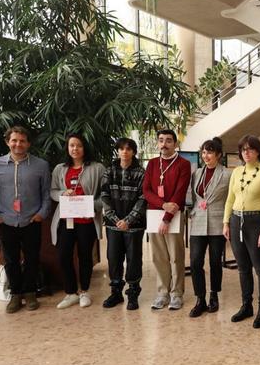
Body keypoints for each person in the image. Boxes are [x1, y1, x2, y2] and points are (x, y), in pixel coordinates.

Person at [0, 126, 51, 313]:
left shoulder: (41, 165)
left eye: (22, 141)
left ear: (28, 143)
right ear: (8, 142)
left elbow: (45, 193)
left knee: (32, 258)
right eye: (14, 140)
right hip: (6, 220)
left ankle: (30, 292)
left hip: (32, 219)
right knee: (10, 260)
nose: (18, 144)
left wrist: (42, 213)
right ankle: (15, 294)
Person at [222, 135, 260, 328]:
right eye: (243, 149)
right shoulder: (237, 171)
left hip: (257, 221)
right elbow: (229, 199)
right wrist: (226, 222)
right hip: (237, 221)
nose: (247, 152)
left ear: (258, 151)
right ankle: (247, 305)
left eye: (250, 149)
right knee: (243, 267)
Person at [49, 134, 105, 309]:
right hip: (66, 220)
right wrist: (62, 194)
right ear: (67, 148)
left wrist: (91, 205)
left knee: (85, 257)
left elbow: (106, 195)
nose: (75, 149)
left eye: (79, 145)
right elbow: (53, 191)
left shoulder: (97, 168)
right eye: (71, 145)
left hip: (86, 220)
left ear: (85, 147)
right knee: (64, 256)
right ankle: (70, 292)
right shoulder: (60, 168)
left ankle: (85, 291)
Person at [142, 129, 191, 311]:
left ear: (175, 144)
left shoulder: (183, 164)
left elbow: (180, 193)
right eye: (161, 140)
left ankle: (176, 293)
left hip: (175, 216)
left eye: (169, 141)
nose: (164, 144)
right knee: (158, 256)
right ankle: (162, 292)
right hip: (155, 215)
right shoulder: (153, 164)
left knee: (176, 256)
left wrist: (168, 217)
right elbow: (146, 191)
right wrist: (163, 206)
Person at [100, 137, 146, 311]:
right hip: (113, 225)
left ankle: (133, 293)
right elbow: (104, 195)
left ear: (133, 152)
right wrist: (114, 218)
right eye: (121, 149)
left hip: (134, 225)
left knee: (134, 259)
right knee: (114, 258)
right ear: (117, 151)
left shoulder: (141, 172)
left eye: (128, 149)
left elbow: (143, 198)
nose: (124, 152)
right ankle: (116, 292)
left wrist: (128, 220)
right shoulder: (109, 171)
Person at [187, 137, 230, 317]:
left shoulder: (228, 174)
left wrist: (229, 222)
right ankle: (200, 298)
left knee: (214, 262)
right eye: (203, 152)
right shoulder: (196, 173)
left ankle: (214, 295)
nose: (206, 156)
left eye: (210, 152)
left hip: (217, 221)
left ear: (218, 155)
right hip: (197, 221)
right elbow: (193, 198)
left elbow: (231, 199)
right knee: (196, 261)